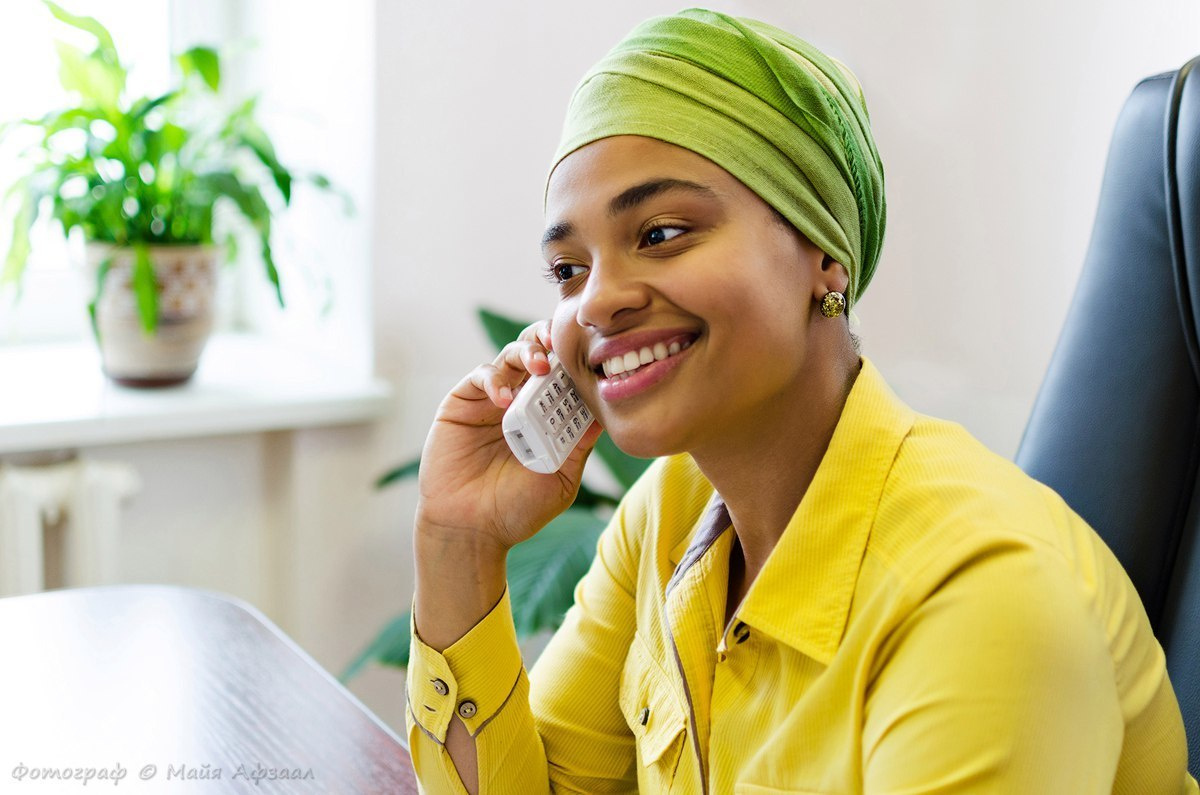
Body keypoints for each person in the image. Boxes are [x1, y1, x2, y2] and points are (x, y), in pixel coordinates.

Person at [406, 8, 1196, 794]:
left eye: (661, 232)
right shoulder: (670, 513)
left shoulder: (986, 598)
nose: (598, 301)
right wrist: (459, 544)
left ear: (823, 253)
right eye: (569, 270)